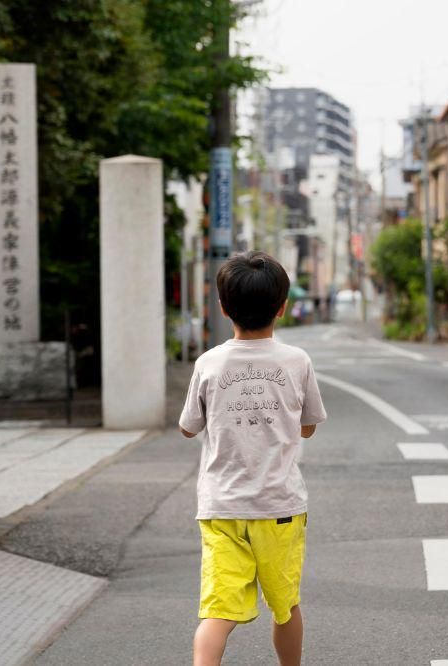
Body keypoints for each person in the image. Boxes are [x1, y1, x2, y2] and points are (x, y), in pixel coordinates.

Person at [179, 251, 327, 666]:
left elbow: (189, 426)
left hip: (222, 507)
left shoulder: (209, 363)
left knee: (217, 610)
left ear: (224, 308)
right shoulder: (297, 362)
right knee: (286, 606)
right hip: (279, 507)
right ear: (282, 308)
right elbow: (309, 424)